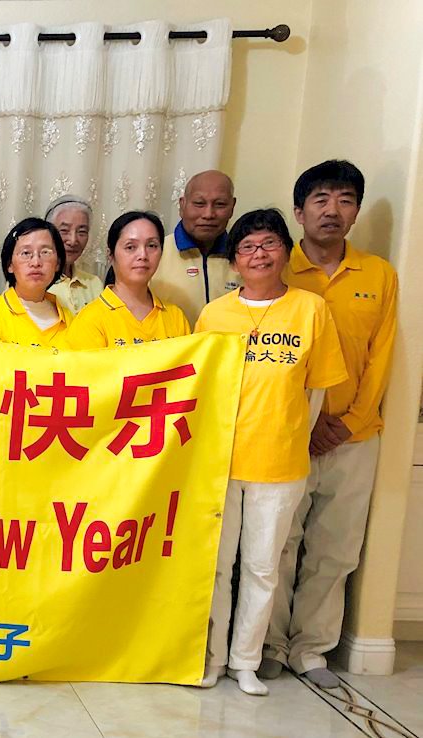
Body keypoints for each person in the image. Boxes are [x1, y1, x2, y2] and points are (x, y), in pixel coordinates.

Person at [195, 208, 348, 696]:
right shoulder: (214, 314)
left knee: (263, 568)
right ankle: (213, 657)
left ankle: (246, 660)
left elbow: (316, 391)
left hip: (281, 463)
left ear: (285, 251)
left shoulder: (310, 309)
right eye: (247, 247)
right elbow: (199, 387)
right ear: (234, 260)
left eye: (268, 244)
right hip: (221, 462)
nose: (258, 254)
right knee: (217, 566)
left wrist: (294, 436)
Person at [262, 161, 398, 689]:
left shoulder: (379, 275)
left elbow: (382, 358)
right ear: (299, 212)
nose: (332, 210)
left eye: (344, 200)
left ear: (356, 211)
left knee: (335, 548)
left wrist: (347, 422)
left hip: (354, 436)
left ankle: (312, 648)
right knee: (278, 542)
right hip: (287, 432)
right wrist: (309, 423)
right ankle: (271, 644)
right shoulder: (276, 267)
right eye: (320, 199)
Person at [67, 211, 191, 349]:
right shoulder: (90, 320)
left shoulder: (175, 316)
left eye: (152, 245)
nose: (143, 255)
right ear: (110, 255)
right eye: (130, 247)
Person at [0, 218, 73, 348]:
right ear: (10, 264)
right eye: (26, 253)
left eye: (45, 252)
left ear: (58, 263)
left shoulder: (70, 320)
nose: (36, 262)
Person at [153, 170, 241, 325]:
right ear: (182, 205)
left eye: (220, 204)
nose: (208, 214)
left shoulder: (247, 257)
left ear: (232, 207)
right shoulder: (154, 254)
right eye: (199, 203)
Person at [45, 196, 104, 313]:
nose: (73, 241)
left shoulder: (94, 283)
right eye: (64, 230)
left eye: (82, 232)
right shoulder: (34, 280)